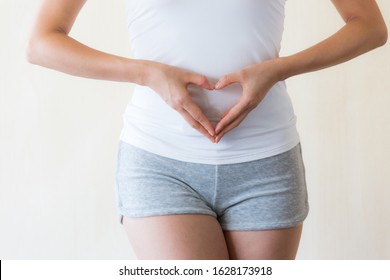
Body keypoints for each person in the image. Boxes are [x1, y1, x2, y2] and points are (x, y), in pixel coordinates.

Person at [27, 0, 387, 260]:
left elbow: (369, 25)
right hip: (161, 163)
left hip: (265, 164)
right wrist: (147, 73)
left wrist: (279, 69)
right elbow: (43, 42)